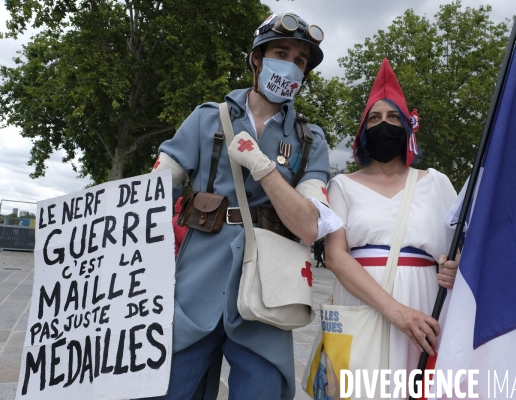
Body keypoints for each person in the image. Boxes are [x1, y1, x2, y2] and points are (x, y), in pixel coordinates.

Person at [151, 13, 341, 399]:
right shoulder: (207, 119)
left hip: (267, 292)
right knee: (163, 387)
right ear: (257, 58)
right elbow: (152, 192)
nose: (289, 65)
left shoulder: (310, 140)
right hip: (195, 281)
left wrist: (263, 167)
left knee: (263, 389)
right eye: (280, 52)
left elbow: (309, 226)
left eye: (300, 61)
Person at [325, 59, 459, 382]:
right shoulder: (342, 186)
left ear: (407, 126)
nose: (383, 124)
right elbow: (334, 256)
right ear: (363, 130)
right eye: (374, 117)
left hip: (425, 313)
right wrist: (397, 313)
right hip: (361, 309)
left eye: (392, 117)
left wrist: (455, 269)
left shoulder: (437, 183)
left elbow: (458, 253)